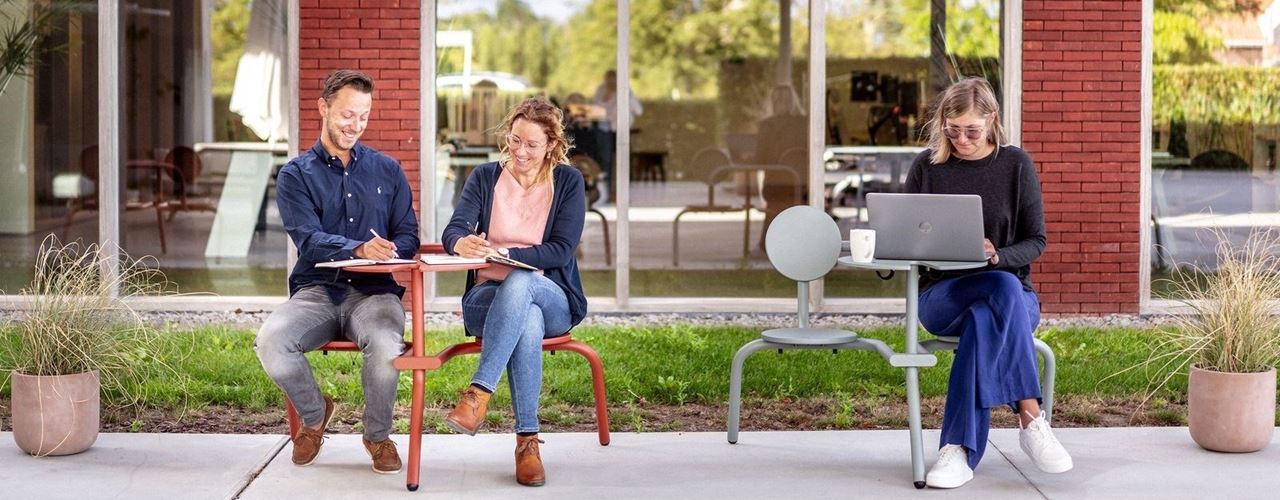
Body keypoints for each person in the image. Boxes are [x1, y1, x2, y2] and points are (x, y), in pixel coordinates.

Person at [905, 77, 1073, 489]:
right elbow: (905, 237)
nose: (961, 139)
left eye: (972, 130)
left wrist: (997, 256)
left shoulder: (1016, 165)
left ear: (992, 120)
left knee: (990, 307)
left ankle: (957, 450)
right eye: (952, 129)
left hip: (1013, 295)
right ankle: (1030, 416)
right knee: (998, 293)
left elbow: (1036, 241)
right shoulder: (927, 167)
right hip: (943, 296)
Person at [254, 69, 419, 474]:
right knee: (272, 341)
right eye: (347, 115)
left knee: (386, 346)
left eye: (363, 116)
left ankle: (377, 436)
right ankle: (314, 415)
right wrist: (357, 248)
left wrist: (391, 250)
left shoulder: (387, 170)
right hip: (317, 291)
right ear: (323, 108)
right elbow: (308, 239)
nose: (355, 125)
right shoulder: (295, 175)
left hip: (375, 293)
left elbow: (408, 234)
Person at [440, 97, 588, 487]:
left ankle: (478, 394)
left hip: (551, 295)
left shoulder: (568, 182)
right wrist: (460, 243)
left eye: (532, 144)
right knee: (527, 319)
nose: (521, 151)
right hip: (486, 300)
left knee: (521, 281)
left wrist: (508, 255)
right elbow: (453, 230)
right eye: (515, 140)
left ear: (551, 145)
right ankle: (527, 443)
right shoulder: (485, 177)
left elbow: (561, 249)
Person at [755, 84, 809, 252]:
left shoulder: (767, 125)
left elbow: (760, 159)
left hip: (775, 187)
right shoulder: (805, 123)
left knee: (773, 201)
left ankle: (767, 244)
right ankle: (801, 243)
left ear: (772, 102)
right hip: (802, 185)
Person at [592, 69, 643, 202]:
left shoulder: (626, 90)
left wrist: (625, 94)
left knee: (623, 161)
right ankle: (607, 193)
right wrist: (607, 96)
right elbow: (596, 110)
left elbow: (638, 110)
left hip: (622, 130)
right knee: (605, 161)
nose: (611, 82)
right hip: (605, 130)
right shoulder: (601, 90)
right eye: (609, 79)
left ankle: (623, 194)